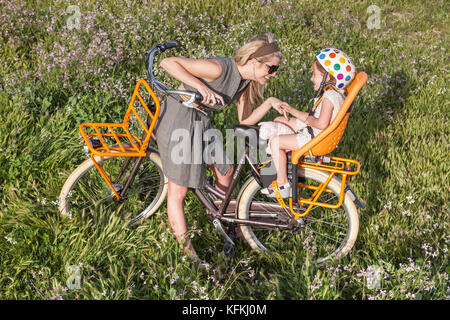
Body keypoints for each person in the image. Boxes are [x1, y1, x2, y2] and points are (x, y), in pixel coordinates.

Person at [154, 33, 288, 260]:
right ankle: (188, 254)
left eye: (275, 70)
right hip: (179, 120)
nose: (273, 75)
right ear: (255, 61)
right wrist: (199, 86)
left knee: (224, 171)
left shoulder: (246, 82)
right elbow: (168, 63)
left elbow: (245, 120)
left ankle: (227, 222)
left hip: (201, 122)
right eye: (271, 69)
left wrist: (268, 103)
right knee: (179, 191)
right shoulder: (220, 68)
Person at [260, 48, 356, 198]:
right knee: (280, 120)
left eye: (315, 75)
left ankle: (282, 183)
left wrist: (300, 118)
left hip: (314, 138)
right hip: (316, 134)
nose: (312, 79)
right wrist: (291, 110)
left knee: (276, 142)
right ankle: (283, 155)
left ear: (327, 77)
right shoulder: (337, 94)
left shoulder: (329, 96)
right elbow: (315, 120)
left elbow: (321, 123)